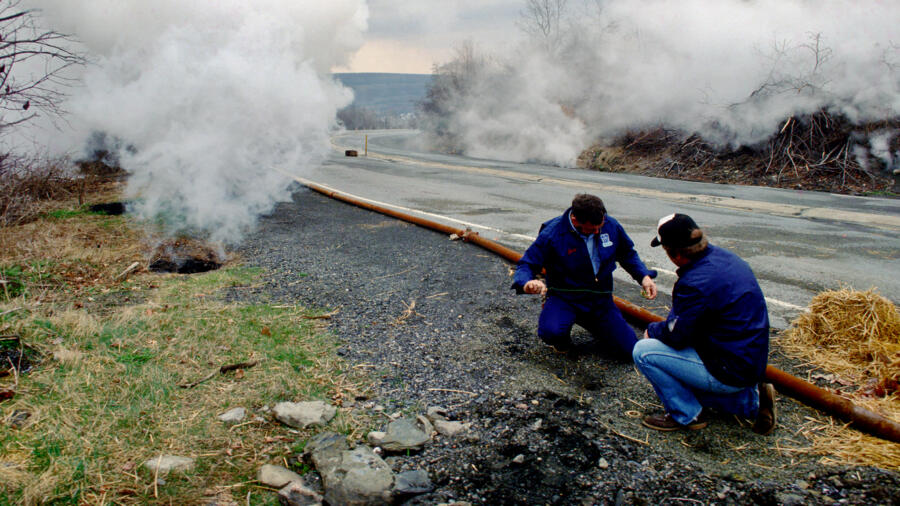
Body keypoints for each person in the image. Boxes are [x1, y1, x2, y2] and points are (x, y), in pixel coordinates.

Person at [632, 213, 776, 435]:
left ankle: (686, 415)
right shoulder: (726, 259)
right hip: (749, 359)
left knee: (643, 351)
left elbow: (677, 336)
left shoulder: (694, 283)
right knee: (686, 382)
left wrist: (652, 331)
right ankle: (751, 402)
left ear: (675, 254)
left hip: (728, 366)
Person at [511, 193, 658, 358]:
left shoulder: (611, 225)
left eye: (599, 226)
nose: (597, 232)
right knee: (551, 332)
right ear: (575, 220)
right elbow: (527, 263)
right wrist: (526, 283)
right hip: (566, 297)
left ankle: (597, 324)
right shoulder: (553, 233)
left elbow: (627, 254)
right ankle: (561, 318)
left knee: (628, 350)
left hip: (600, 300)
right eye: (591, 229)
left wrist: (644, 276)